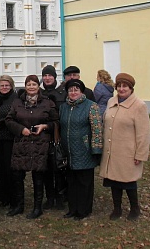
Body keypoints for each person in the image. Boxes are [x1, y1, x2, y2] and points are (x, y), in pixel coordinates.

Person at [5, 75, 59, 219]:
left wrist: (45, 126)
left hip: (40, 144)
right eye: (28, 84)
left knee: (38, 176)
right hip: (21, 142)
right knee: (17, 176)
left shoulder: (47, 103)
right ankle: (19, 205)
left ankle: (37, 207)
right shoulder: (17, 102)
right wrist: (20, 129)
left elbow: (56, 121)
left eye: (34, 84)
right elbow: (9, 120)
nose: (31, 87)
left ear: (38, 86)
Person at [100, 73, 150, 221]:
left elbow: (143, 133)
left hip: (128, 152)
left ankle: (135, 208)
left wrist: (140, 154)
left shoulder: (139, 106)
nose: (122, 89)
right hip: (112, 150)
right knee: (113, 181)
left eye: (125, 86)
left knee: (128, 181)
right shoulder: (111, 101)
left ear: (131, 88)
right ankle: (117, 208)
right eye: (119, 86)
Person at [60, 79, 103, 220]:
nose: (73, 92)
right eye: (70, 90)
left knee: (84, 183)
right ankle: (73, 209)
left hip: (85, 151)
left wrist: (96, 149)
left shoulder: (91, 106)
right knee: (71, 182)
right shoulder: (64, 107)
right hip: (69, 152)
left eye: (76, 90)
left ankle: (83, 210)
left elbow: (97, 129)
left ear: (81, 91)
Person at [40, 65, 67, 210]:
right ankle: (49, 197)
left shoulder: (62, 93)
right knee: (46, 169)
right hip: (43, 136)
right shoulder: (39, 93)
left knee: (59, 167)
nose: (47, 78)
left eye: (50, 75)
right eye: (45, 75)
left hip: (58, 134)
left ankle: (60, 197)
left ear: (54, 77)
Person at [0, 75, 17, 207]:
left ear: (11, 86)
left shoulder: (15, 99)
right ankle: (3, 195)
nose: (4, 87)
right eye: (2, 85)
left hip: (10, 137)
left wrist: (1, 122)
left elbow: (15, 115)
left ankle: (12, 196)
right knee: (0, 168)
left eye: (7, 85)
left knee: (9, 168)